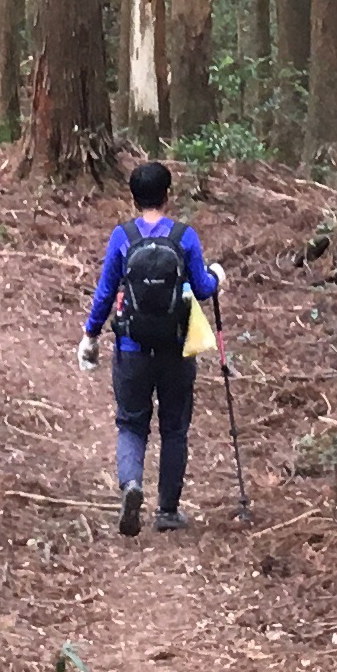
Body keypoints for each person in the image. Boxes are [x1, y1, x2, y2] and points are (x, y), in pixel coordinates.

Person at [77, 159, 222, 537]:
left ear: (133, 198)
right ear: (167, 195)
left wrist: (91, 334)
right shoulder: (184, 237)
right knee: (174, 428)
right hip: (176, 347)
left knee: (131, 422)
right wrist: (216, 277)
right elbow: (203, 288)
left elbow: (106, 291)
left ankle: (131, 485)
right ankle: (168, 511)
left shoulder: (122, 236)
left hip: (132, 346)